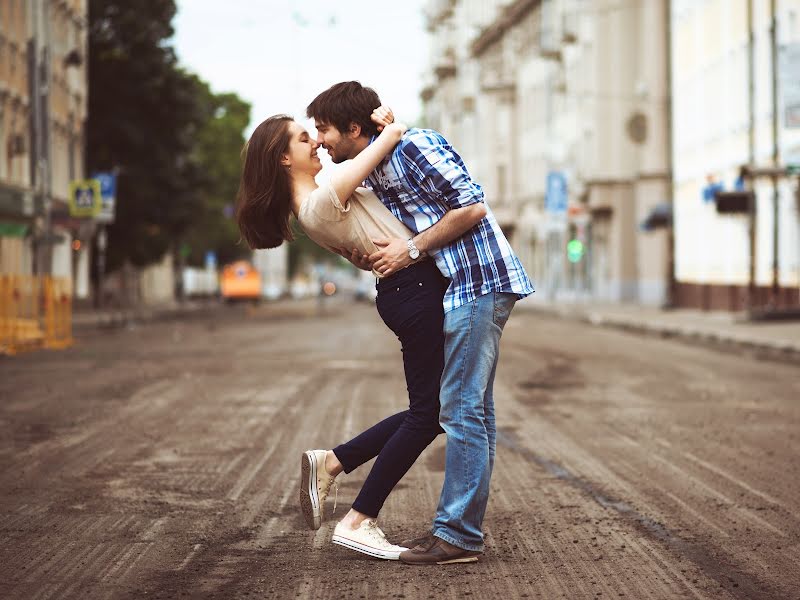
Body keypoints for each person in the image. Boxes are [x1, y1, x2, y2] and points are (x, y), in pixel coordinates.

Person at [307, 81, 534, 565]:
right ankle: (462, 533)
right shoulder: (384, 159)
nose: (320, 140)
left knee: (458, 410)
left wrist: (411, 249)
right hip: (461, 286)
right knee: (472, 410)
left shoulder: (414, 146)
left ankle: (456, 536)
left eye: (324, 130)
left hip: (479, 280)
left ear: (353, 127)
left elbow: (472, 206)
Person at [236, 107, 448, 561]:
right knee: (428, 414)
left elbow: (359, 250)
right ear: (283, 160)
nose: (314, 140)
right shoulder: (321, 198)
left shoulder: (318, 204)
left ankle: (332, 463)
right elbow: (386, 141)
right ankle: (359, 517)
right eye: (301, 138)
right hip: (412, 292)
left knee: (431, 410)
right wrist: (388, 124)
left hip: (405, 291)